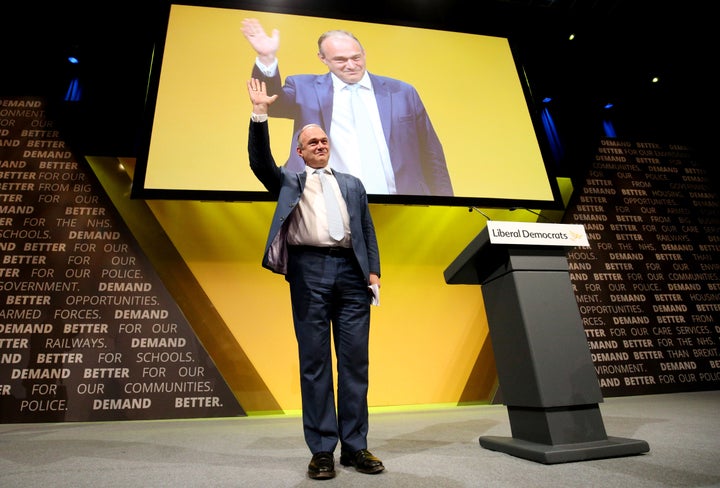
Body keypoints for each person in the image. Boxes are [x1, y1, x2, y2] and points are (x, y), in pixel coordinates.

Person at [246, 77, 384, 480]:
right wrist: (260, 114)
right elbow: (259, 163)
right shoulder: (290, 180)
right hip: (309, 271)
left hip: (354, 276)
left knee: (355, 362)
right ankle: (323, 449)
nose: (321, 146)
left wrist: (373, 271)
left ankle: (355, 447)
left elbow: (367, 230)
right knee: (315, 362)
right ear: (300, 151)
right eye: (313, 143)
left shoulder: (352, 184)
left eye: (324, 141)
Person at [241, 18, 454, 197]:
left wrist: (448, 205)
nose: (351, 65)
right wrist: (266, 58)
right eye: (340, 60)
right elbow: (272, 101)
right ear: (322, 59)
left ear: (364, 53)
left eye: (356, 58)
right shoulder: (303, 87)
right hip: (327, 204)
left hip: (401, 201)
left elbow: (431, 153)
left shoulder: (403, 92)